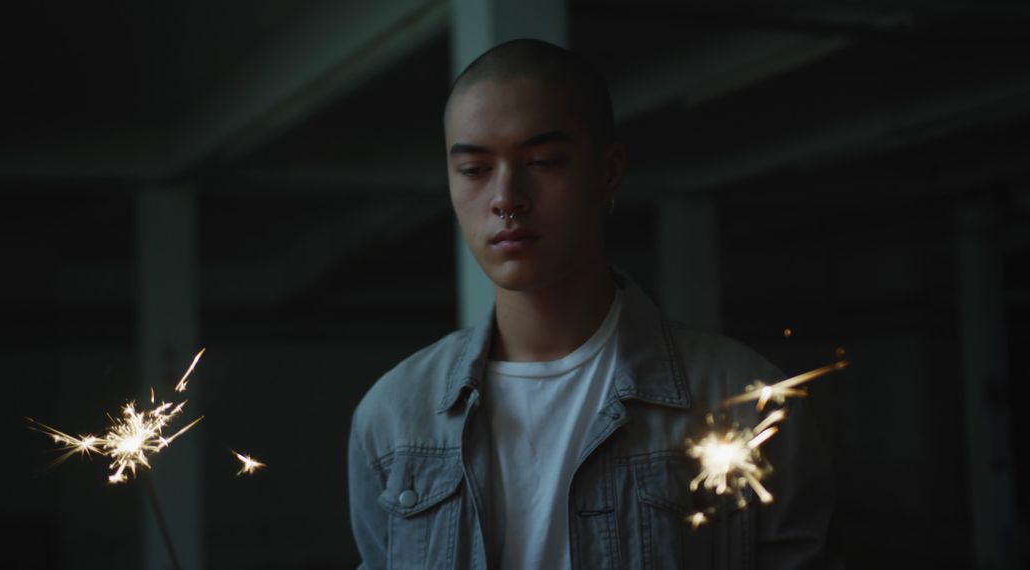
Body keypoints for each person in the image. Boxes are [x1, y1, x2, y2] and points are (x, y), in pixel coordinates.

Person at [348, 38, 836, 569]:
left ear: (607, 172)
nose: (506, 197)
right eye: (474, 170)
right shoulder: (395, 417)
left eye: (543, 160)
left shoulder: (744, 399)